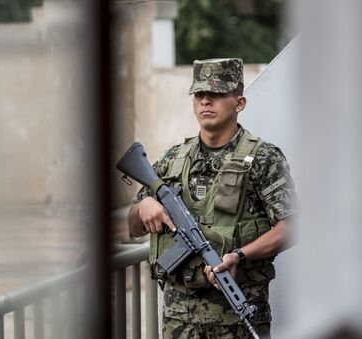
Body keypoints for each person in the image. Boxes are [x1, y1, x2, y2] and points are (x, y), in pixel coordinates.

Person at [127, 58, 298, 339]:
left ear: (239, 103)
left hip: (238, 321)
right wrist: (143, 206)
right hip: (178, 321)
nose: (206, 101)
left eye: (217, 94)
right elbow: (132, 226)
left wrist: (239, 255)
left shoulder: (263, 159)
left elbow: (291, 228)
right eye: (199, 95)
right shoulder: (172, 160)